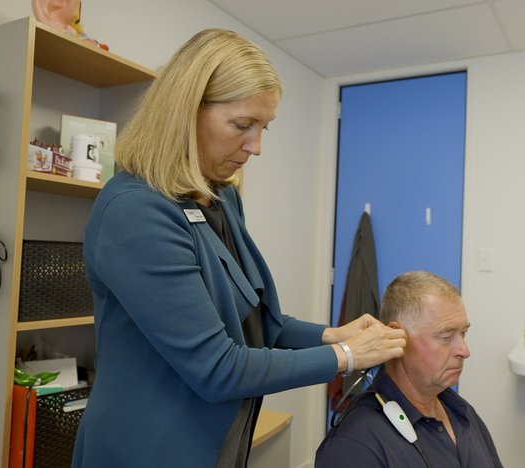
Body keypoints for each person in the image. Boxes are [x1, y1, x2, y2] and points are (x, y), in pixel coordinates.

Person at [71, 28, 407, 468]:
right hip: (150, 448)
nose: (257, 147)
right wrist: (345, 357)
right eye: (243, 125)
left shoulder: (221, 197)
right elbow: (218, 368)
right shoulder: (135, 212)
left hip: (220, 441)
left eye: (263, 127)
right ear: (186, 112)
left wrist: (332, 335)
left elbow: (258, 325)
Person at [315, 271, 503, 468]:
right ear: (397, 336)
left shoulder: (462, 412)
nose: (464, 351)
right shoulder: (354, 445)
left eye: (463, 333)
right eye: (446, 336)